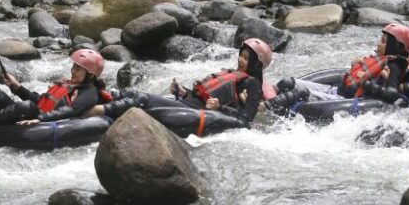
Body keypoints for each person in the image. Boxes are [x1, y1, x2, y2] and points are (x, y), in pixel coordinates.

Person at [0, 49, 111, 139]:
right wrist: (17, 87)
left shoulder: (90, 93)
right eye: (73, 66)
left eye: (78, 69)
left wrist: (40, 120)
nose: (73, 70)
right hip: (33, 112)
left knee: (27, 107)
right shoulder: (69, 84)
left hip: (47, 122)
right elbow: (42, 101)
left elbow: (69, 112)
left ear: (91, 74)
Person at [92, 38, 273, 124]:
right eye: (241, 55)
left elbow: (246, 119)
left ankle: (95, 110)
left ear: (256, 64)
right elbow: (201, 96)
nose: (240, 60)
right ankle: (100, 100)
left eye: (246, 58)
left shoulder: (253, 84)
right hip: (191, 105)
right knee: (132, 94)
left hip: (198, 113)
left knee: (142, 99)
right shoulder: (234, 74)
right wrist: (182, 92)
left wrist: (219, 108)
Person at [269, 24, 409, 109]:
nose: (378, 44)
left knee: (299, 92)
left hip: (345, 99)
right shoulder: (379, 58)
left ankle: (265, 107)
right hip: (338, 91)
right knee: (288, 82)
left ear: (397, 46)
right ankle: (267, 94)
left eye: (384, 41)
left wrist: (366, 83)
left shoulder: (394, 66)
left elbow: (391, 94)